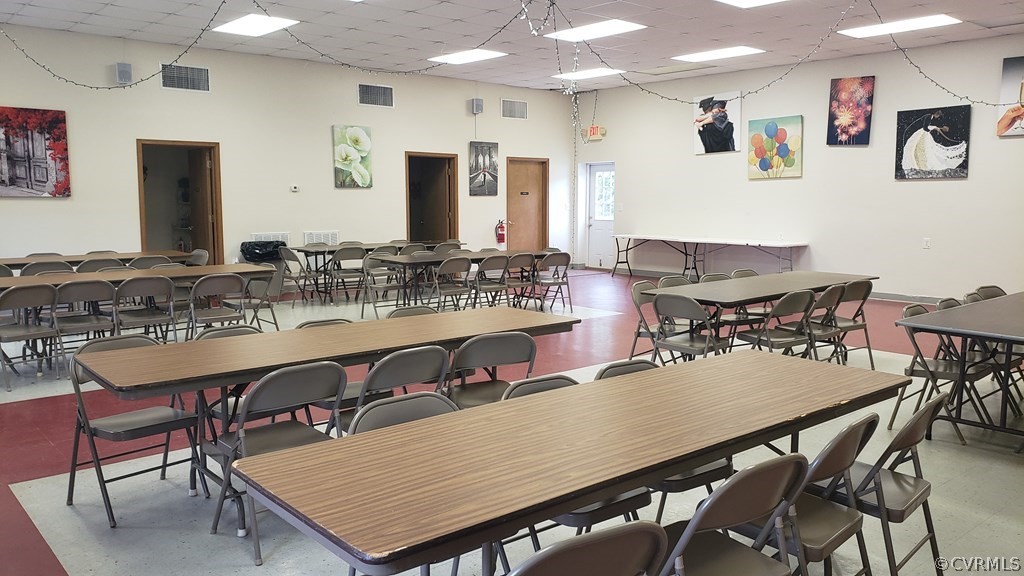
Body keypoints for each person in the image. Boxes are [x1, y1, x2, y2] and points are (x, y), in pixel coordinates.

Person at [900, 109, 967, 174]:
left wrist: (937, 128)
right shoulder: (929, 116)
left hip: (918, 133)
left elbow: (925, 127)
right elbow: (925, 128)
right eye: (938, 116)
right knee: (916, 149)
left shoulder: (929, 117)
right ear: (936, 114)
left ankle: (919, 166)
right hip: (917, 134)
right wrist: (935, 128)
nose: (937, 117)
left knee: (920, 149)